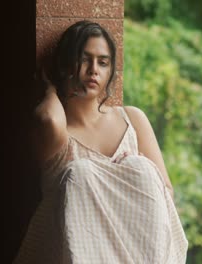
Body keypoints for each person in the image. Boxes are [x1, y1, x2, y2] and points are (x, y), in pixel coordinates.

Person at [13, 20, 188, 263]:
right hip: (82, 254)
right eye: (84, 59)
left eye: (103, 62)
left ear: (111, 72)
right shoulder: (60, 135)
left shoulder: (132, 120)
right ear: (64, 65)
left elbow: (165, 192)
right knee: (80, 172)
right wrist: (51, 89)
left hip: (140, 251)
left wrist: (132, 172)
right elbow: (47, 119)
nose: (93, 69)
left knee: (144, 169)